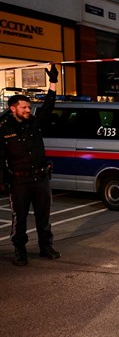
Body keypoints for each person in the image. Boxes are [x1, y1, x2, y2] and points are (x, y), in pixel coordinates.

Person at [0, 64, 60, 266]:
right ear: (13, 108)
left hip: (40, 178)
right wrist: (3, 181)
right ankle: (20, 250)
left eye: (28, 107)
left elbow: (49, 107)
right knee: (20, 219)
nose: (28, 110)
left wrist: (53, 83)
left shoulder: (34, 122)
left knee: (44, 216)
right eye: (24, 107)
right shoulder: (4, 129)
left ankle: (46, 247)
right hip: (19, 181)